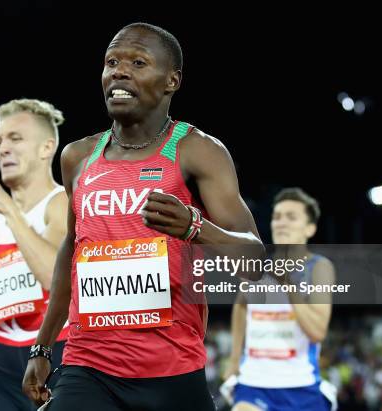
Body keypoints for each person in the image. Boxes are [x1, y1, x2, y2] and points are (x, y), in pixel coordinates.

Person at [23, 22, 264, 411]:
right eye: (111, 62)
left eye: (137, 62)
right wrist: (43, 345)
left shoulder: (197, 152)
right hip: (88, 365)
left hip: (171, 369)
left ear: (172, 80)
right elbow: (72, 249)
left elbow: (255, 261)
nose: (119, 71)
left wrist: (195, 227)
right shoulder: (77, 158)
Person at [0, 98, 69, 411]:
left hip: (57, 360)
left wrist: (9, 209)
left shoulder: (61, 204)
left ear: (46, 148)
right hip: (2, 370)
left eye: (15, 138)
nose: (3, 148)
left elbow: (52, 276)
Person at [222, 187, 337, 411]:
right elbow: (241, 306)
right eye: (277, 217)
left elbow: (317, 331)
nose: (281, 223)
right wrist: (234, 358)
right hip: (253, 383)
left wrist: (287, 284)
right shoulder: (256, 265)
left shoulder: (319, 268)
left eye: (291, 217)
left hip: (300, 386)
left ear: (310, 228)